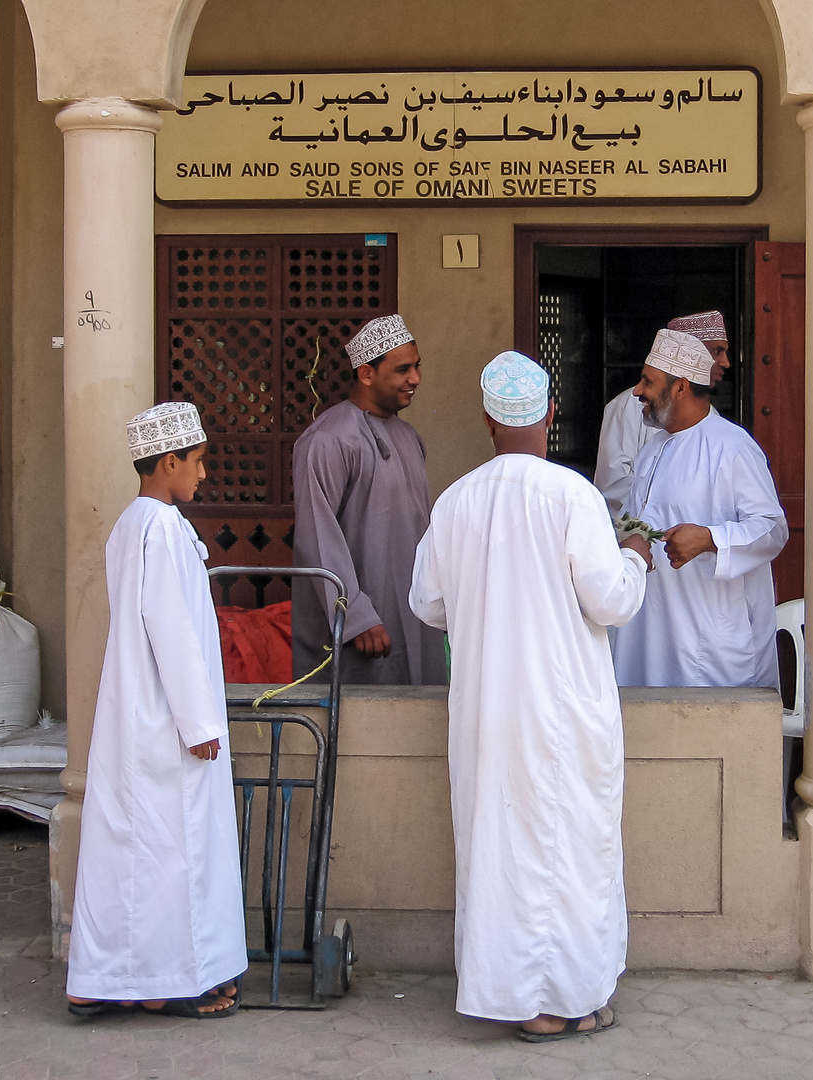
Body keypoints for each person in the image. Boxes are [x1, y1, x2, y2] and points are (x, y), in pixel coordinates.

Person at [408, 352, 651, 1043]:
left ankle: (517, 995)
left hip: (488, 716)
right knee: (570, 851)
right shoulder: (571, 496)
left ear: (488, 419)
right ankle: (561, 1004)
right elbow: (610, 601)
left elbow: (427, 602)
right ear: (551, 414)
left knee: (502, 850)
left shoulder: (455, 501)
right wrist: (635, 555)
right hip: (566, 714)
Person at [67, 402, 246, 1020]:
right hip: (165, 717)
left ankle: (99, 978)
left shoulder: (129, 523)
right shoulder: (163, 527)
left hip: (134, 711)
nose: (202, 476)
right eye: (196, 463)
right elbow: (172, 631)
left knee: (125, 850)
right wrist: (198, 724)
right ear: (168, 462)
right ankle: (164, 983)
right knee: (174, 851)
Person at [612, 329, 788, 689]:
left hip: (705, 635)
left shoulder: (732, 447)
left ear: (681, 386)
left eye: (648, 380)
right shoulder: (652, 450)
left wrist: (710, 539)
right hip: (650, 630)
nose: (637, 391)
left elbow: (772, 528)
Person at [291, 314, 446, 685]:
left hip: (413, 613)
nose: (415, 379)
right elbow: (317, 536)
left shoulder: (409, 437)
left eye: (417, 367)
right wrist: (356, 616)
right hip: (362, 627)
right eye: (403, 370)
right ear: (366, 374)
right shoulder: (328, 440)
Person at [593, 310, 732, 516]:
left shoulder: (729, 437)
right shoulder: (630, 407)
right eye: (717, 351)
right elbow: (613, 486)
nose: (725, 362)